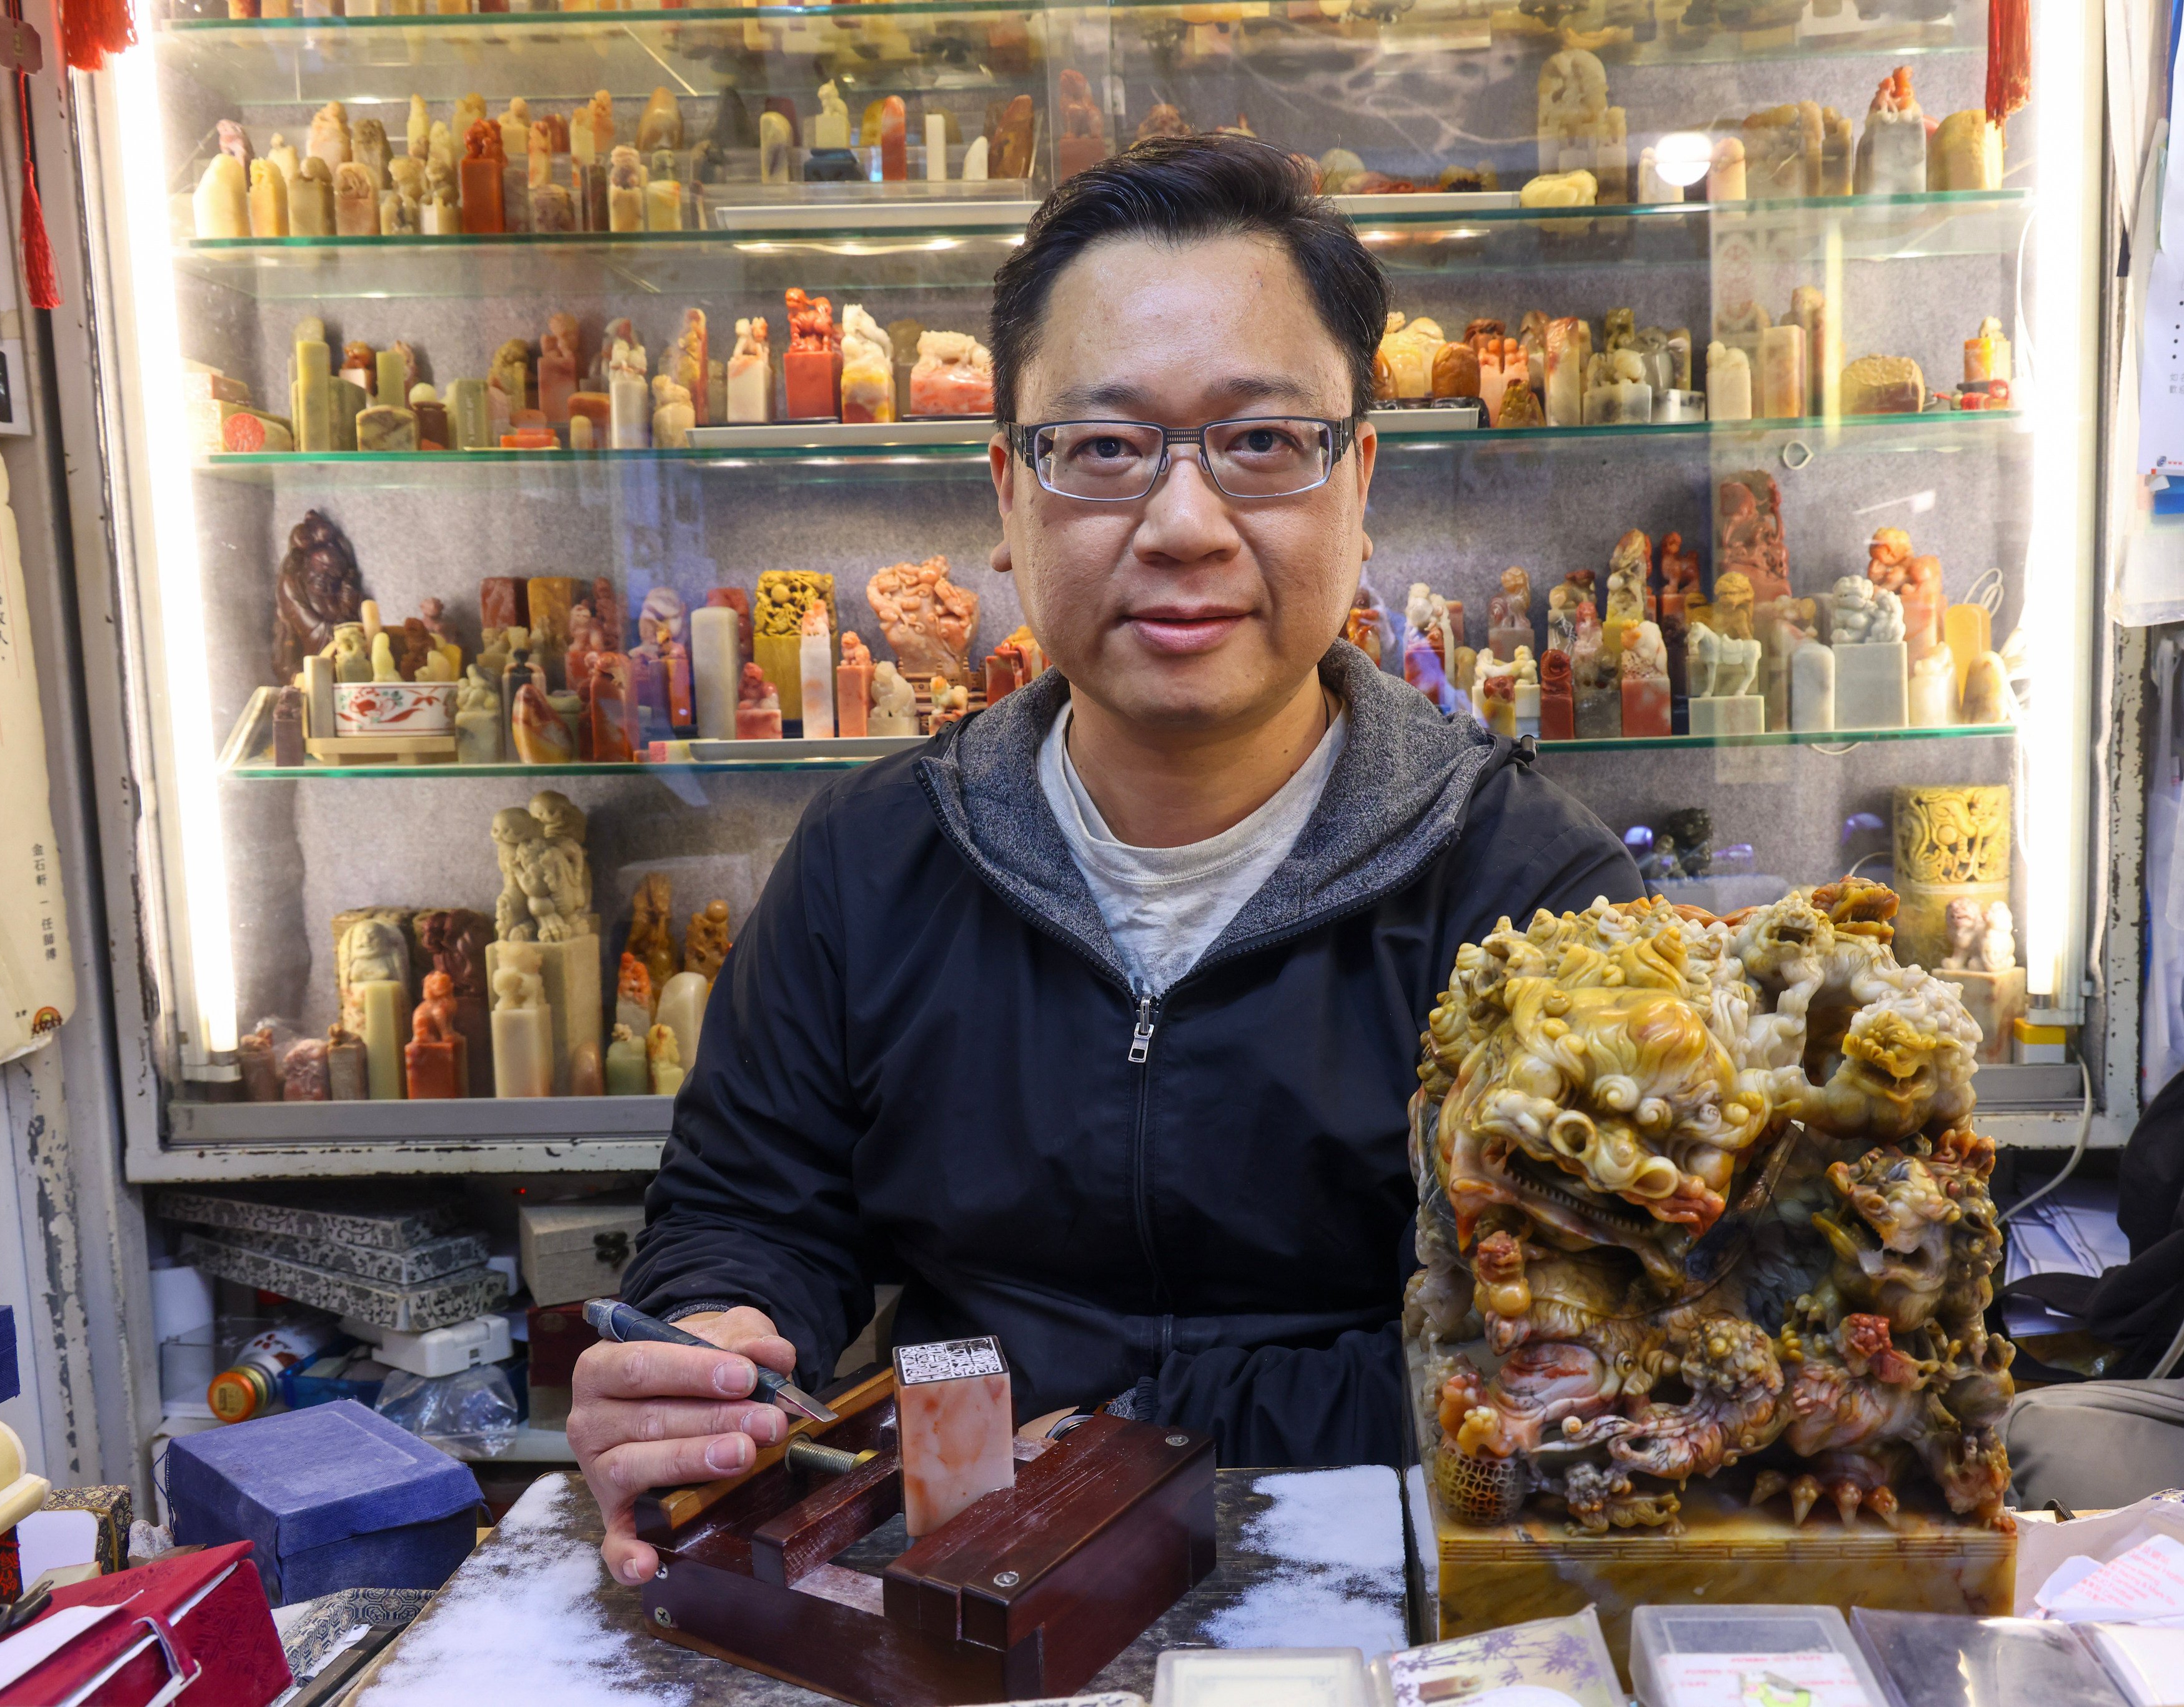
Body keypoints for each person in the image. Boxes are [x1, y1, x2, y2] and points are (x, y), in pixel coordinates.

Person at [567, 136, 1642, 1585]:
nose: (1186, 524)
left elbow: (1578, 1356)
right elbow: (747, 1211)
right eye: (1105, 447)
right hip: (963, 1578)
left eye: (1262, 442)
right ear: (1008, 496)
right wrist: (709, 1343)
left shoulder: (1530, 900)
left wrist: (1110, 1437)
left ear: (1358, 480)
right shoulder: (875, 859)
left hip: (1400, 1589)